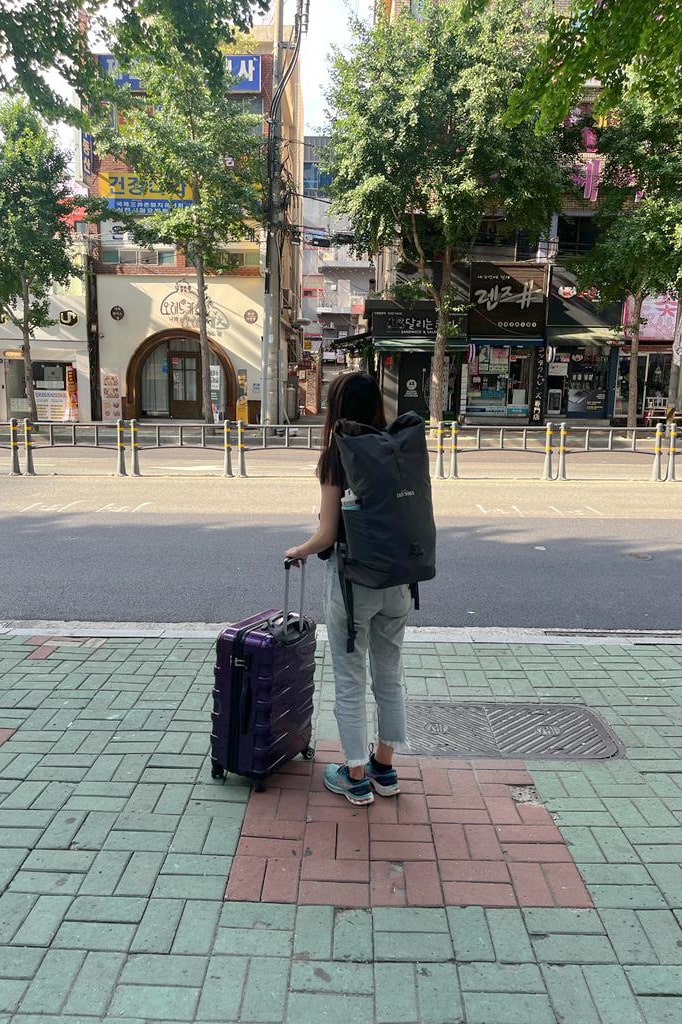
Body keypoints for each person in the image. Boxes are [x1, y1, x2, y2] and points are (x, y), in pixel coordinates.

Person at [285, 371, 411, 806]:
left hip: (353, 582)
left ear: (337, 409)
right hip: (398, 580)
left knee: (350, 677)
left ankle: (355, 775)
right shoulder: (397, 447)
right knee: (390, 676)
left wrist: (298, 549)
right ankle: (385, 767)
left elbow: (327, 534)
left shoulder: (338, 456)